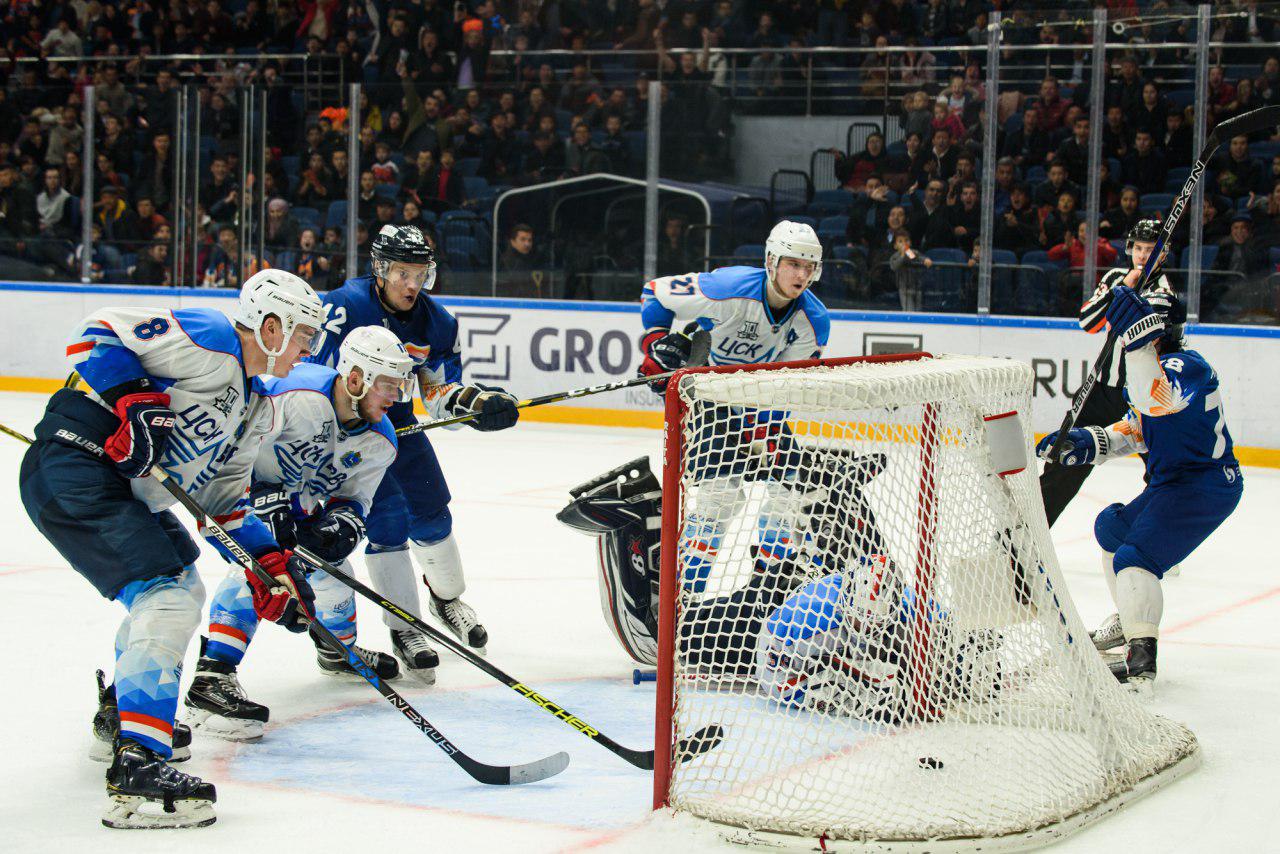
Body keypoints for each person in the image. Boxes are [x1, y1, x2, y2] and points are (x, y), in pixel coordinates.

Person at [17, 270, 325, 828]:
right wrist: (134, 399)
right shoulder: (211, 336)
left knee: (181, 582)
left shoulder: (254, 407)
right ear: (272, 326)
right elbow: (95, 334)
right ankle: (138, 767)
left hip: (119, 489)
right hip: (75, 464)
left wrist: (269, 565)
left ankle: (124, 718)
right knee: (167, 594)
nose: (310, 348)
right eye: (305, 334)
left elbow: (224, 504)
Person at [308, 224, 520, 681]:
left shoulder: (438, 321)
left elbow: (438, 391)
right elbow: (312, 377)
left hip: (398, 423)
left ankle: (446, 601)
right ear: (380, 270)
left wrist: (476, 404)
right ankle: (405, 627)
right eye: (402, 272)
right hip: (352, 433)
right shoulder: (344, 307)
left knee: (434, 515)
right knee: (385, 524)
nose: (412, 284)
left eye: (420, 272)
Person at [185, 326, 413, 740]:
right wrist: (263, 495)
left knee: (334, 570)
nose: (396, 397)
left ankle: (335, 649)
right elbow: (236, 442)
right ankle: (211, 678)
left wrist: (343, 522)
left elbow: (356, 497)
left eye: (401, 386)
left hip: (299, 513)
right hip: (238, 504)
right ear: (356, 377)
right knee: (259, 574)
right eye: (387, 385)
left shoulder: (382, 441)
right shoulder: (293, 395)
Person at [1037, 287, 1241, 690]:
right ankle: (1131, 621)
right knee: (1111, 529)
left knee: (1135, 557)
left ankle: (1142, 658)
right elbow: (1136, 431)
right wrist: (1085, 443)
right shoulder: (1152, 367)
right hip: (1173, 484)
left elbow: (1154, 400)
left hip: (1205, 486)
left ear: (1155, 331)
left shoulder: (1188, 367)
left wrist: (1140, 340)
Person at [1039, 220, 1176, 527]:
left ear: (1162, 255)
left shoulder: (1165, 293)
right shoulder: (1116, 277)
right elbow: (1087, 321)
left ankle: (1159, 533)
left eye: (1150, 250)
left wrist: (1131, 298)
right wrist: (1124, 287)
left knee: (1161, 470)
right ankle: (1028, 535)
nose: (1142, 256)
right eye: (1138, 249)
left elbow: (1148, 337)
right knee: (1066, 458)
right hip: (1101, 392)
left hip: (1141, 398)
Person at [888, 228, 932, 311]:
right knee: (909, 310)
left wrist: (925, 260)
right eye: (900, 241)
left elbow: (919, 258)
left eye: (906, 240)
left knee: (918, 310)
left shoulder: (912, 253)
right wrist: (903, 255)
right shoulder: (895, 256)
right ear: (895, 245)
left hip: (917, 287)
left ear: (910, 242)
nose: (904, 243)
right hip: (904, 289)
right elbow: (894, 266)